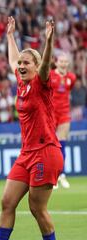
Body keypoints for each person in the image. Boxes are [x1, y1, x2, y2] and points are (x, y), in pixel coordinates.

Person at [0, 17, 63, 240]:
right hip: (26, 154)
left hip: (46, 152)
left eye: (27, 63)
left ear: (36, 66)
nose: (22, 66)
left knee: (36, 208)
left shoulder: (42, 83)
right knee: (7, 203)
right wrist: (9, 36)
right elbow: (13, 60)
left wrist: (48, 41)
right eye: (21, 64)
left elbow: (45, 66)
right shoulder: (21, 82)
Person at [50, 53, 76, 189]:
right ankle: (52, 176)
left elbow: (68, 91)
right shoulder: (50, 75)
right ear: (56, 62)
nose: (63, 64)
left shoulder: (71, 78)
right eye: (61, 61)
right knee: (51, 145)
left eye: (66, 62)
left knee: (62, 144)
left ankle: (62, 174)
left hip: (64, 114)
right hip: (51, 114)